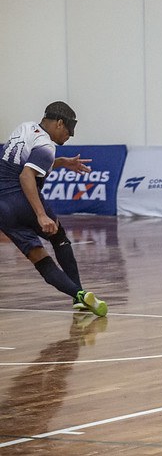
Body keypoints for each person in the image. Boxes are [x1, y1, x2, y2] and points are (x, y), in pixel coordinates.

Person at [0, 101, 107, 316]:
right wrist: (40, 215)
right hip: (22, 198)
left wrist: (60, 162)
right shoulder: (47, 145)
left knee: (38, 256)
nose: (70, 136)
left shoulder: (25, 128)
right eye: (69, 131)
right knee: (59, 237)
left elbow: (22, 162)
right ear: (59, 123)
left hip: (2, 208)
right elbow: (26, 175)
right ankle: (80, 294)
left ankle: (78, 295)